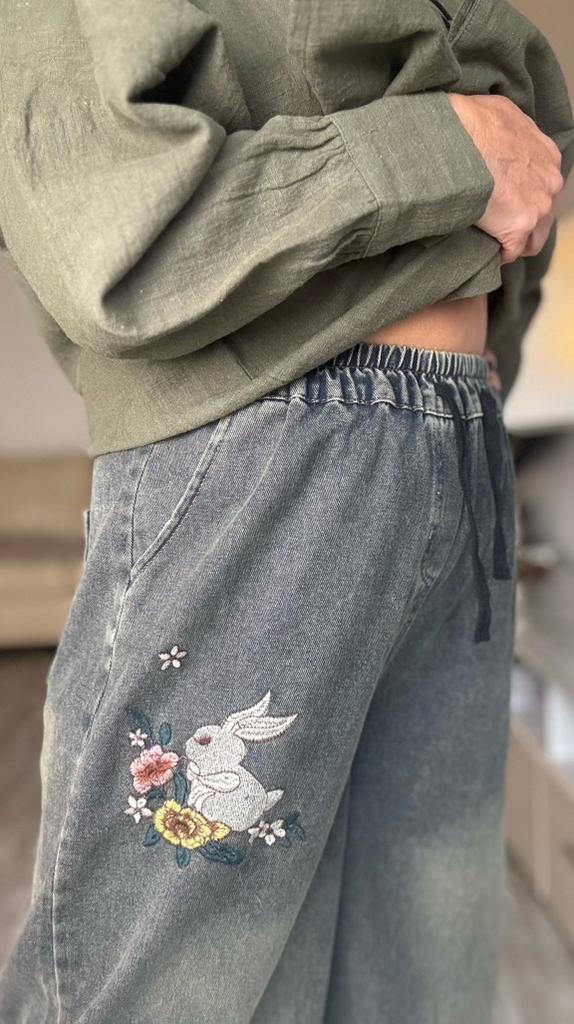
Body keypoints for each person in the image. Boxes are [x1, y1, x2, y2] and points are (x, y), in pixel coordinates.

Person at [0, 1, 572, 1022]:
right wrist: (444, 150)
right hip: (269, 437)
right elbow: (100, 223)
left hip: (456, 437)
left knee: (422, 976)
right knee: (169, 989)